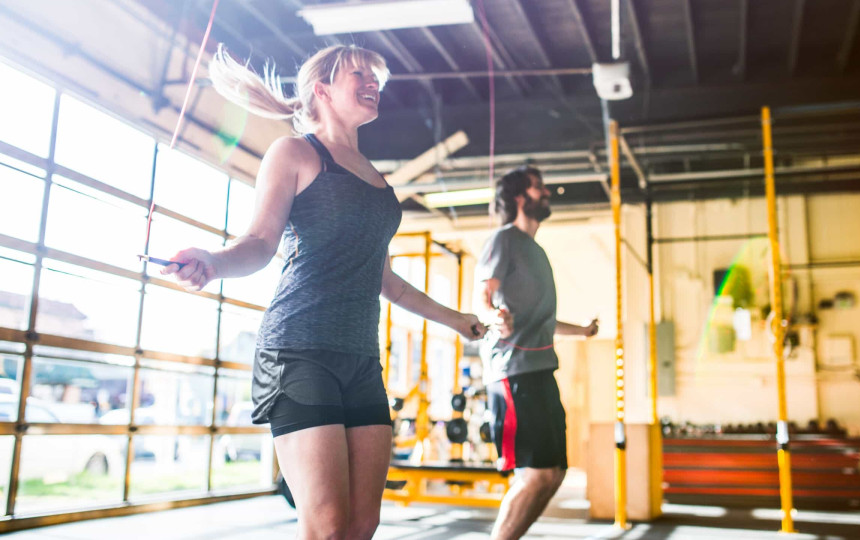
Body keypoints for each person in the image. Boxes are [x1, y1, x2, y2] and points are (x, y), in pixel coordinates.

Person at [161, 44, 486, 540]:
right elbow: (259, 242)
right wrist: (212, 262)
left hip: (360, 358)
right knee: (328, 527)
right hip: (299, 351)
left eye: (376, 75)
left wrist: (456, 320)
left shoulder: (377, 179)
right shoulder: (294, 152)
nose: (373, 81)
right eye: (360, 73)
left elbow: (387, 282)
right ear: (323, 89)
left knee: (362, 524)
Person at [476, 165, 599, 540]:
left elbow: (543, 320)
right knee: (534, 475)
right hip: (513, 373)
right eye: (538, 187)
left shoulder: (537, 252)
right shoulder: (504, 240)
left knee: (554, 474)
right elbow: (483, 296)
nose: (546, 193)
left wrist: (582, 331)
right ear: (519, 198)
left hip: (542, 370)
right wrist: (494, 317)